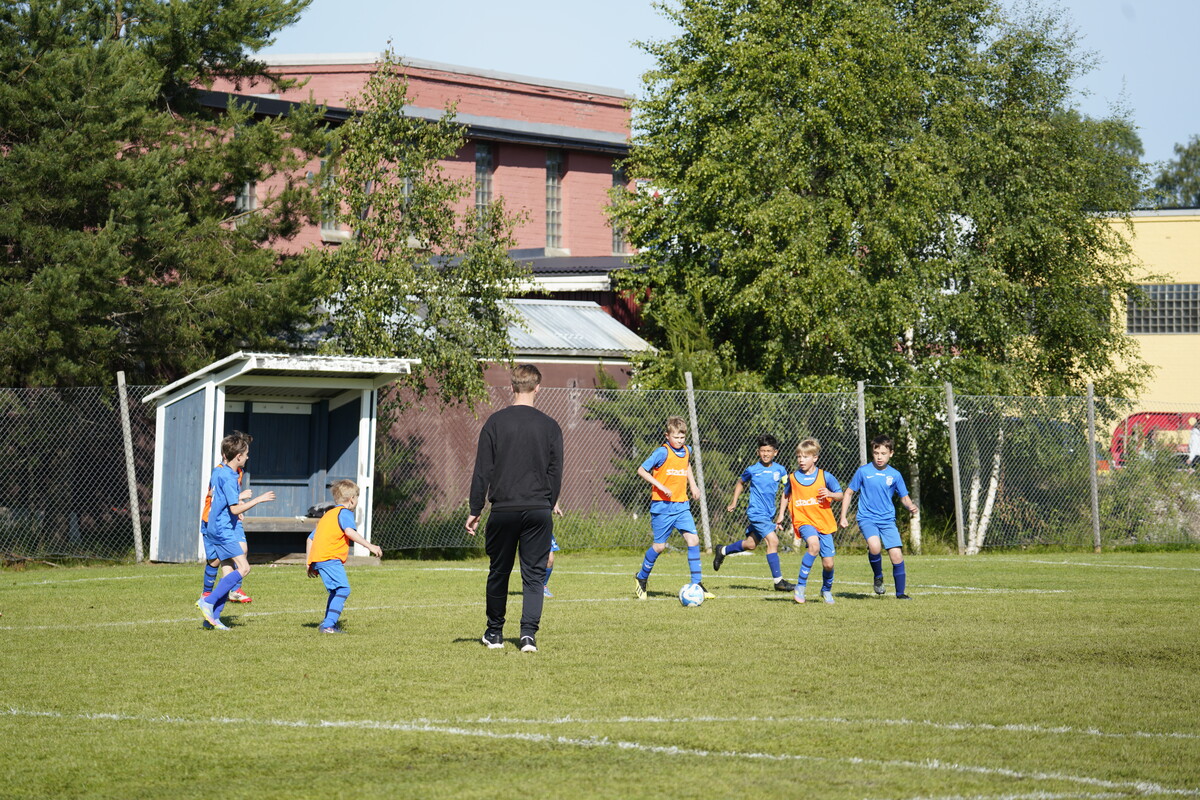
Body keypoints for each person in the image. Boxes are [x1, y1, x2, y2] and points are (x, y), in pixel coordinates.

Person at [466, 364, 563, 653]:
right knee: (533, 576)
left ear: (511, 387)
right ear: (538, 388)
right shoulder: (550, 426)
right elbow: (555, 472)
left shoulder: (495, 423)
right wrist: (548, 503)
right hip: (538, 510)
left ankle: (494, 633)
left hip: (504, 510)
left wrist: (475, 508)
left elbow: (482, 469)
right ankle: (528, 636)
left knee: (499, 571)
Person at [196, 432, 274, 629]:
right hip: (223, 529)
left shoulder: (219, 471)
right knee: (244, 568)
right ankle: (208, 600)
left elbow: (216, 495)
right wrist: (258, 499)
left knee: (228, 572)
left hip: (214, 526)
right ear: (238, 456)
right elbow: (234, 509)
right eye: (246, 454)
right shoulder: (230, 477)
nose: (247, 457)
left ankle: (212, 619)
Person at [633, 416, 712, 600]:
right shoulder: (662, 452)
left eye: (682, 437)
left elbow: (686, 465)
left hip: (682, 505)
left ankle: (697, 584)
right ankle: (641, 577)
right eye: (676, 437)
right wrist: (660, 486)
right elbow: (641, 470)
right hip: (662, 507)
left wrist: (693, 485)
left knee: (693, 540)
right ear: (667, 435)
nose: (679, 441)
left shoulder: (686, 450)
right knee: (659, 546)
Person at [712, 434, 794, 591]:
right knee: (773, 541)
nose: (765, 454)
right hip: (756, 513)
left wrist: (781, 514)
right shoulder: (752, 470)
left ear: (775, 452)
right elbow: (740, 483)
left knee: (750, 544)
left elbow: (787, 491)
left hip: (769, 515)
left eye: (769, 451)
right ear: (758, 452)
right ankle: (779, 582)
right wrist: (734, 502)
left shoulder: (781, 470)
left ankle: (722, 550)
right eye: (763, 451)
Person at [839, 435, 918, 600]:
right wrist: (843, 516)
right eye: (876, 453)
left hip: (887, 520)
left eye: (883, 453)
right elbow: (849, 492)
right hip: (867, 517)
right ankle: (878, 576)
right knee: (875, 547)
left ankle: (900, 593)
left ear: (891, 453)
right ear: (872, 453)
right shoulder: (863, 471)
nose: (879, 457)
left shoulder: (895, 475)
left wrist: (910, 506)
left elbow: (904, 497)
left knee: (896, 555)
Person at [304, 480, 382, 633]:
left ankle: (329, 623)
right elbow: (349, 531)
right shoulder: (344, 513)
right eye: (357, 498)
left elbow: (310, 539)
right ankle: (328, 626)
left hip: (320, 559)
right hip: (330, 558)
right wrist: (370, 546)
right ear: (352, 499)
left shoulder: (328, 515)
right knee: (343, 589)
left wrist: (309, 563)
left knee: (336, 590)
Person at [777, 438, 843, 604]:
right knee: (814, 546)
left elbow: (840, 495)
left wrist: (830, 494)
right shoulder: (792, 478)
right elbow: (785, 495)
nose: (801, 460)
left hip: (824, 523)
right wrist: (781, 515)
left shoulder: (825, 476)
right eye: (799, 456)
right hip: (803, 521)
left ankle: (826, 590)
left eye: (805, 457)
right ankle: (800, 587)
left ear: (815, 458)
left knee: (828, 564)